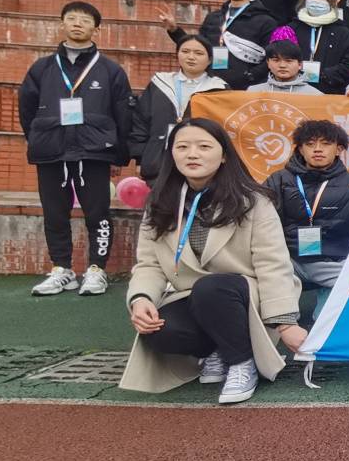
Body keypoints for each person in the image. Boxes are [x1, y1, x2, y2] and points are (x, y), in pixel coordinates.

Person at [120, 118, 303, 404]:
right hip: (193, 297)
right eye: (182, 147)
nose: (192, 154)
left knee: (212, 289)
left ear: (224, 155)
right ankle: (216, 349)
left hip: (244, 297)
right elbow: (149, 264)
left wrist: (285, 323)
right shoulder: (160, 203)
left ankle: (242, 363)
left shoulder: (253, 201)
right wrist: (141, 299)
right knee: (158, 331)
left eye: (204, 147)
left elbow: (273, 264)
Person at [19, 0, 133, 297]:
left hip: (93, 150)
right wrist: (39, 138)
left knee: (98, 213)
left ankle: (97, 269)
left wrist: (118, 153)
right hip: (52, 150)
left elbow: (123, 113)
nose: (78, 23)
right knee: (54, 213)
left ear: (96, 28)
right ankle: (62, 269)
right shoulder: (42, 68)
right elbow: (26, 108)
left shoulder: (110, 70)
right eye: (71, 18)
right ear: (62, 24)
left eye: (85, 19)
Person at [263, 119, 349, 322]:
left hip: (331, 263)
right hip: (287, 260)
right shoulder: (279, 180)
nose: (318, 149)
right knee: (254, 277)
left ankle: (324, 314)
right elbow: (261, 225)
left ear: (339, 149)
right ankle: (283, 321)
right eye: (310, 144)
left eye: (326, 144)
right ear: (301, 149)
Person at [160, 0, 277, 91]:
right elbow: (198, 48)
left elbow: (272, 57)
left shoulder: (266, 21)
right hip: (210, 85)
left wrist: (249, 76)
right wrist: (174, 30)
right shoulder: (213, 18)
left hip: (246, 90)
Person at [130, 34, 227, 183]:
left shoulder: (219, 89)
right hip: (159, 161)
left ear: (209, 60)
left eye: (199, 53)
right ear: (177, 55)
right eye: (185, 51)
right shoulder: (160, 83)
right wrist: (140, 158)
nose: (191, 57)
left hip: (200, 162)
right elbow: (141, 121)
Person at [292, 0, 349, 96]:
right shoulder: (292, 28)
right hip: (294, 91)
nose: (317, 1)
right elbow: (280, 57)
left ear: (331, 3)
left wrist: (325, 74)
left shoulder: (342, 32)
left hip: (331, 93)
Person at [247, 34, 322, 95]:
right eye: (276, 60)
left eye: (289, 61)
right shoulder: (253, 92)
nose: (282, 65)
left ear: (300, 65)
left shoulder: (315, 96)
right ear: (268, 63)